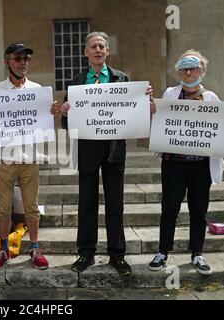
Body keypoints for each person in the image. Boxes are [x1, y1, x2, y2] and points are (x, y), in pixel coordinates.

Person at [60, 32, 154, 275]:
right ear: (86, 52)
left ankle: (117, 255)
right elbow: (66, 124)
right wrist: (65, 113)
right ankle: (86, 253)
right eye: (93, 47)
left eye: (102, 46)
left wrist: (144, 100)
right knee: (87, 204)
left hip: (114, 151)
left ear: (108, 51)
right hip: (88, 150)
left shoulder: (121, 79)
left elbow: (134, 112)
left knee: (115, 204)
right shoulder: (77, 82)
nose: (98, 50)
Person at [148, 50, 224, 275]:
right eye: (184, 68)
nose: (188, 72)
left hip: (201, 166)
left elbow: (223, 127)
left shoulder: (212, 98)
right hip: (173, 164)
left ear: (203, 71)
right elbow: (160, 120)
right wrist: (153, 110)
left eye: (193, 68)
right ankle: (163, 252)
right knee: (169, 208)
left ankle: (197, 253)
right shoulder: (170, 94)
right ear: (179, 71)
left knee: (198, 210)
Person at [0, 43, 59, 272]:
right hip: (4, 158)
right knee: (3, 208)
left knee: (31, 207)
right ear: (7, 62)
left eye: (26, 59)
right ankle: (3, 249)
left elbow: (43, 121)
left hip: (29, 157)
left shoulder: (38, 89)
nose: (23, 63)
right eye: (18, 59)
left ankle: (35, 248)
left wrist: (51, 113)